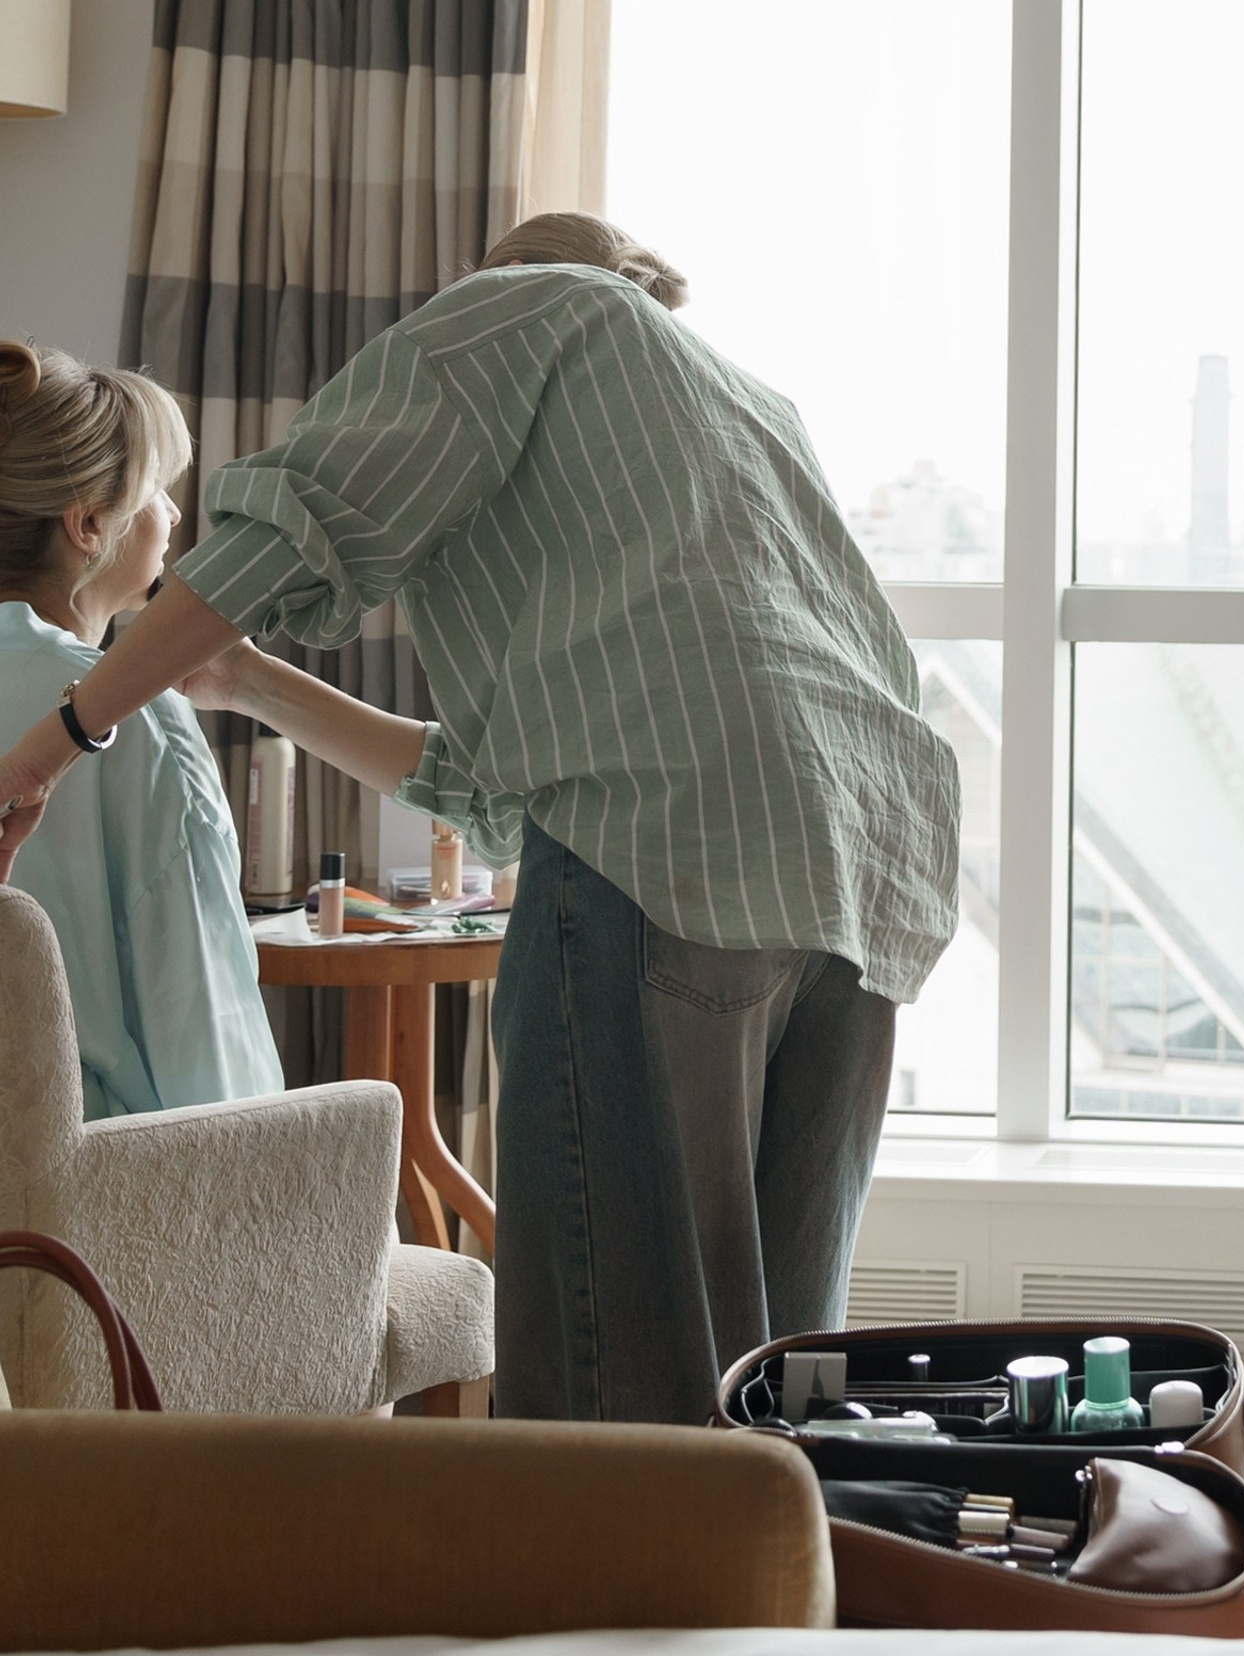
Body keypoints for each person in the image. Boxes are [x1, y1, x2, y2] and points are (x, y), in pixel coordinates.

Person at [0, 213, 961, 1425]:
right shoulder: (745, 410)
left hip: (670, 875)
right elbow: (503, 789)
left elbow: (288, 522)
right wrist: (247, 681)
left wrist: (49, 744)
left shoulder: (528, 307)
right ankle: (770, 1593)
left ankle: (610, 1602)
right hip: (860, 876)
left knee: (618, 1388)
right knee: (776, 1367)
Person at [0, 342, 283, 1115]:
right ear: (90, 524)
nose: (175, 513)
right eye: (157, 489)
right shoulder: (127, 712)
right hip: (97, 1204)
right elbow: (202, 1025)